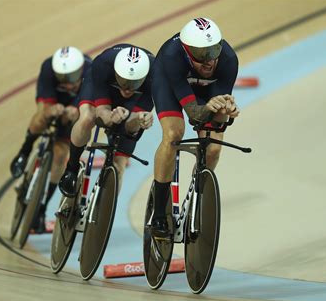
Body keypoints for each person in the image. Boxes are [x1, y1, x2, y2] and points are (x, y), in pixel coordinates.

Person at [150, 17, 241, 238]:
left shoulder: (228, 60)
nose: (209, 61)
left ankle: (196, 198)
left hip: (205, 91)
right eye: (202, 55)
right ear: (188, 51)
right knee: (173, 135)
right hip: (171, 86)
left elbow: (215, 119)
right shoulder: (172, 56)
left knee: (214, 148)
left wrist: (225, 112)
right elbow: (194, 114)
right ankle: (159, 212)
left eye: (213, 51)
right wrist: (208, 108)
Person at [10, 46, 91, 232]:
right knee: (41, 117)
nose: (67, 82)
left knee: (61, 155)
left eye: (71, 77)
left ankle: (42, 207)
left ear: (80, 70)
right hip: (55, 102)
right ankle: (24, 151)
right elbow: (42, 104)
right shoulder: (48, 67)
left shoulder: (90, 71)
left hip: (77, 105)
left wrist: (76, 109)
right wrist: (51, 109)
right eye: (62, 78)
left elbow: (89, 105)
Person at [58, 44, 154, 197]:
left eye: (133, 83)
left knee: (120, 164)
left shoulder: (155, 77)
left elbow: (131, 128)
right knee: (88, 118)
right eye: (123, 81)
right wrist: (111, 117)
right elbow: (102, 112)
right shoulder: (103, 64)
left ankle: (103, 212)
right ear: (116, 71)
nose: (127, 89)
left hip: (135, 100)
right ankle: (72, 168)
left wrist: (139, 119)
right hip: (104, 86)